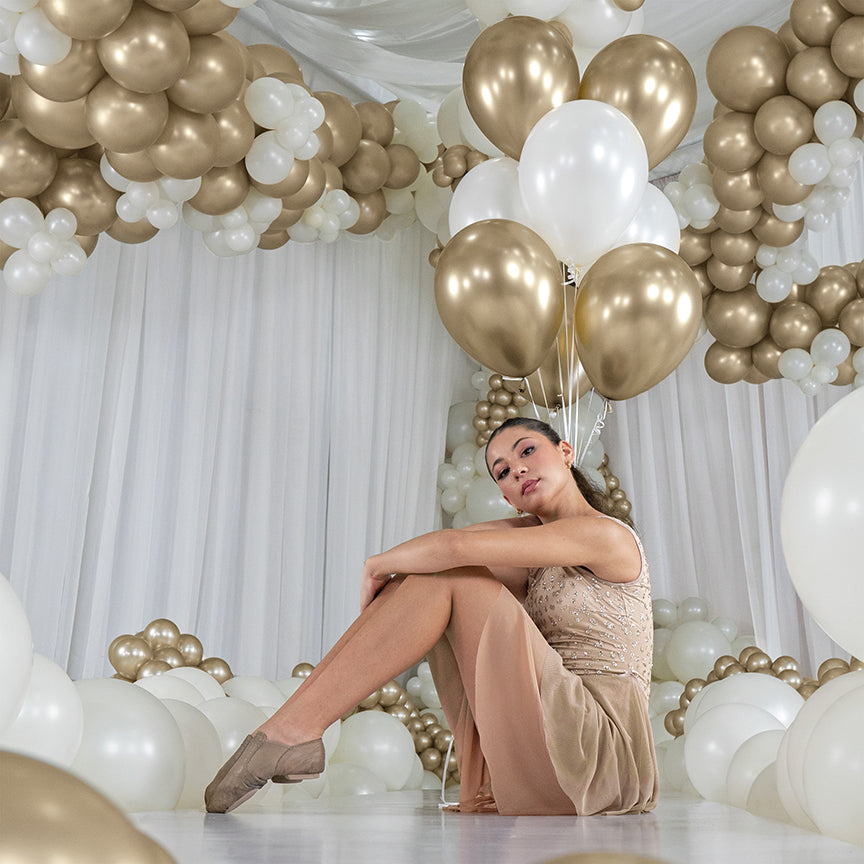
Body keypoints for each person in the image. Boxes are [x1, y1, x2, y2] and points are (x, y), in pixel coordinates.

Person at [205, 416, 657, 815]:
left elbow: (454, 548)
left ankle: (290, 733)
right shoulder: (534, 547)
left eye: (527, 451)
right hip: (554, 728)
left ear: (564, 452)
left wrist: (376, 564)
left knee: (452, 573)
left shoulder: (605, 535)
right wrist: (398, 569)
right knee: (437, 575)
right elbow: (450, 543)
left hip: (604, 748)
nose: (517, 468)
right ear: (508, 497)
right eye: (502, 471)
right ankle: (291, 730)